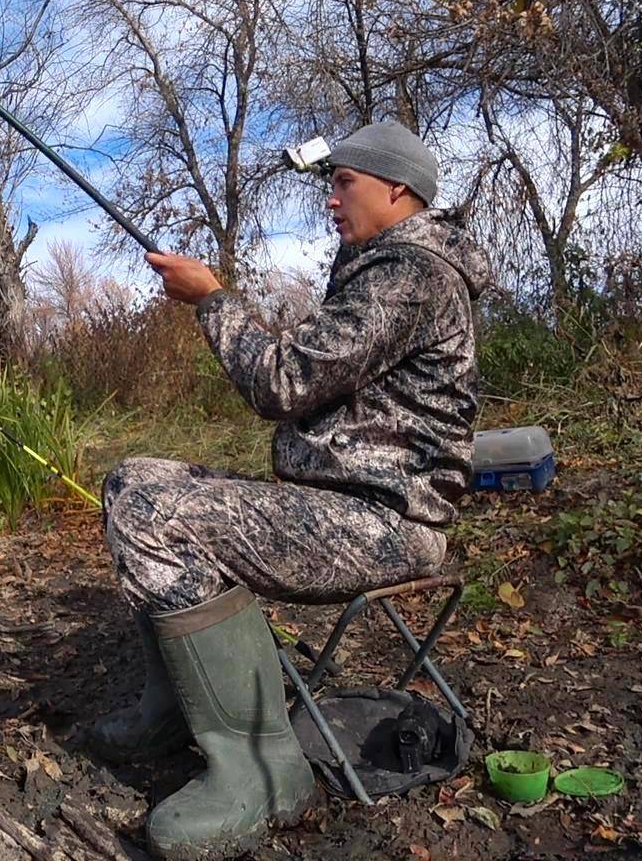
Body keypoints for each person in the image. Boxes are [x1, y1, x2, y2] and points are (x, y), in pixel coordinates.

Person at [89, 120, 490, 861]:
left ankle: (262, 774)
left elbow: (283, 381)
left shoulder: (412, 275)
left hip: (382, 523)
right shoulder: (383, 270)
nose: (332, 200)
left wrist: (212, 298)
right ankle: (173, 708)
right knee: (133, 479)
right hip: (346, 507)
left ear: (395, 189)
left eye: (345, 183)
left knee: (153, 513)